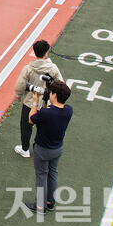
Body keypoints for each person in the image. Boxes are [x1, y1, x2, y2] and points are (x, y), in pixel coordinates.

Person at [25, 81, 74, 215]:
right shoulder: (69, 110)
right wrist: (45, 102)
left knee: (41, 176)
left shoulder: (46, 114)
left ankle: (40, 207)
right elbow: (48, 114)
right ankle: (50, 203)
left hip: (42, 150)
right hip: (57, 149)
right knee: (53, 174)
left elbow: (31, 119)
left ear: (55, 95)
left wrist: (35, 102)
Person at [13, 39, 65, 158]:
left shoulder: (28, 68)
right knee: (45, 127)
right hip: (47, 103)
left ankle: (25, 149)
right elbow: (61, 83)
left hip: (30, 102)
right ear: (46, 53)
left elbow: (20, 84)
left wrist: (18, 95)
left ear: (35, 52)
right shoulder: (52, 68)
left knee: (26, 126)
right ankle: (42, 148)